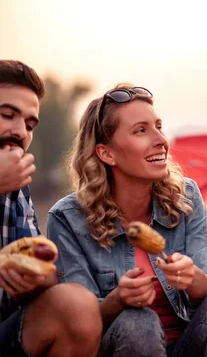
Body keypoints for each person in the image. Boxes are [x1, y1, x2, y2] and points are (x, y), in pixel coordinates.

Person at [46, 84, 207, 357]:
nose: (161, 140)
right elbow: (74, 323)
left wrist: (192, 278)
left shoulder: (186, 196)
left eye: (158, 126)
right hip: (122, 345)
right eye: (141, 130)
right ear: (106, 153)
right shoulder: (67, 219)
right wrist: (118, 300)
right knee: (137, 321)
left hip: (188, 343)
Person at [0, 60, 102, 356]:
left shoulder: (17, 189)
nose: (21, 132)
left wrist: (37, 278)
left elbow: (40, 268)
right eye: (8, 115)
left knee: (78, 305)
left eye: (30, 125)